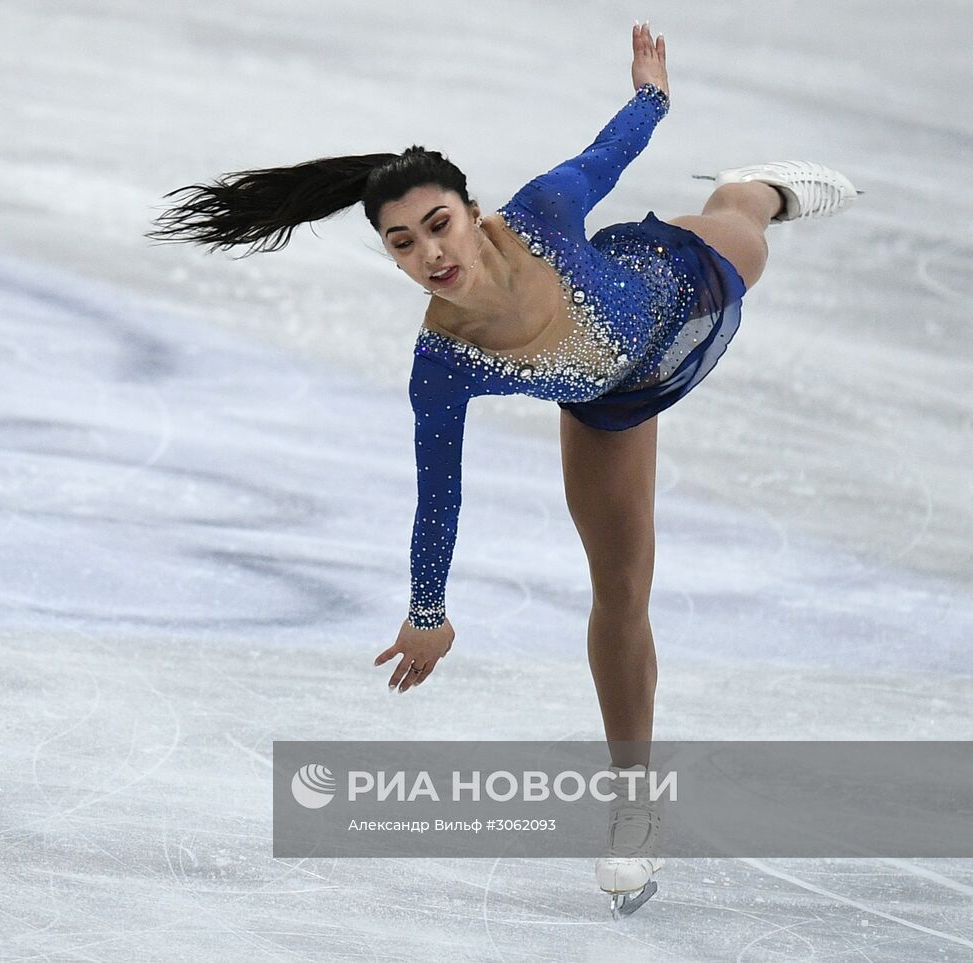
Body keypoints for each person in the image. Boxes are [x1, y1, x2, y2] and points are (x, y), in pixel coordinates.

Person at [146, 22, 858, 914]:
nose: (430, 254)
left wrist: (652, 93)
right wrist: (427, 613)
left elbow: (609, 151)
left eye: (438, 224)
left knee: (745, 218)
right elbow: (436, 495)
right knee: (621, 589)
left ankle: (749, 185)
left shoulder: (543, 214)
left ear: (472, 214)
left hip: (687, 292)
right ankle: (633, 807)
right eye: (403, 243)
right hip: (611, 406)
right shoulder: (443, 363)